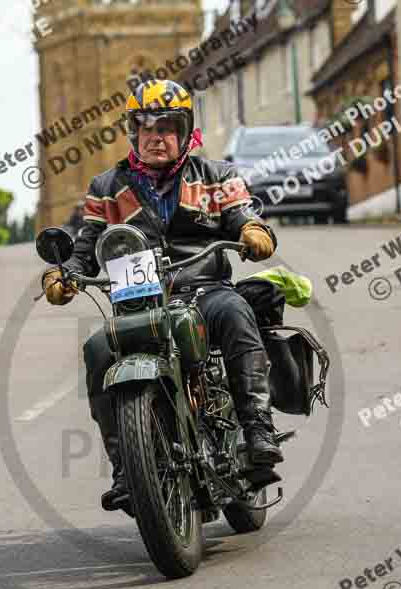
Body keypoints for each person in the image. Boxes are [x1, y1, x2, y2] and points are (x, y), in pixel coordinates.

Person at [42, 79, 283, 512]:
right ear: (133, 131)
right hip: (141, 304)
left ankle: (257, 430)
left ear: (186, 130)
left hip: (203, 291)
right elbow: (86, 246)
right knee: (98, 348)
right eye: (145, 126)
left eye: (167, 126)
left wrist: (252, 230)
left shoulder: (217, 176)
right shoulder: (106, 187)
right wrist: (65, 275)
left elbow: (242, 213)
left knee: (235, 310)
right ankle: (124, 469)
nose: (156, 136)